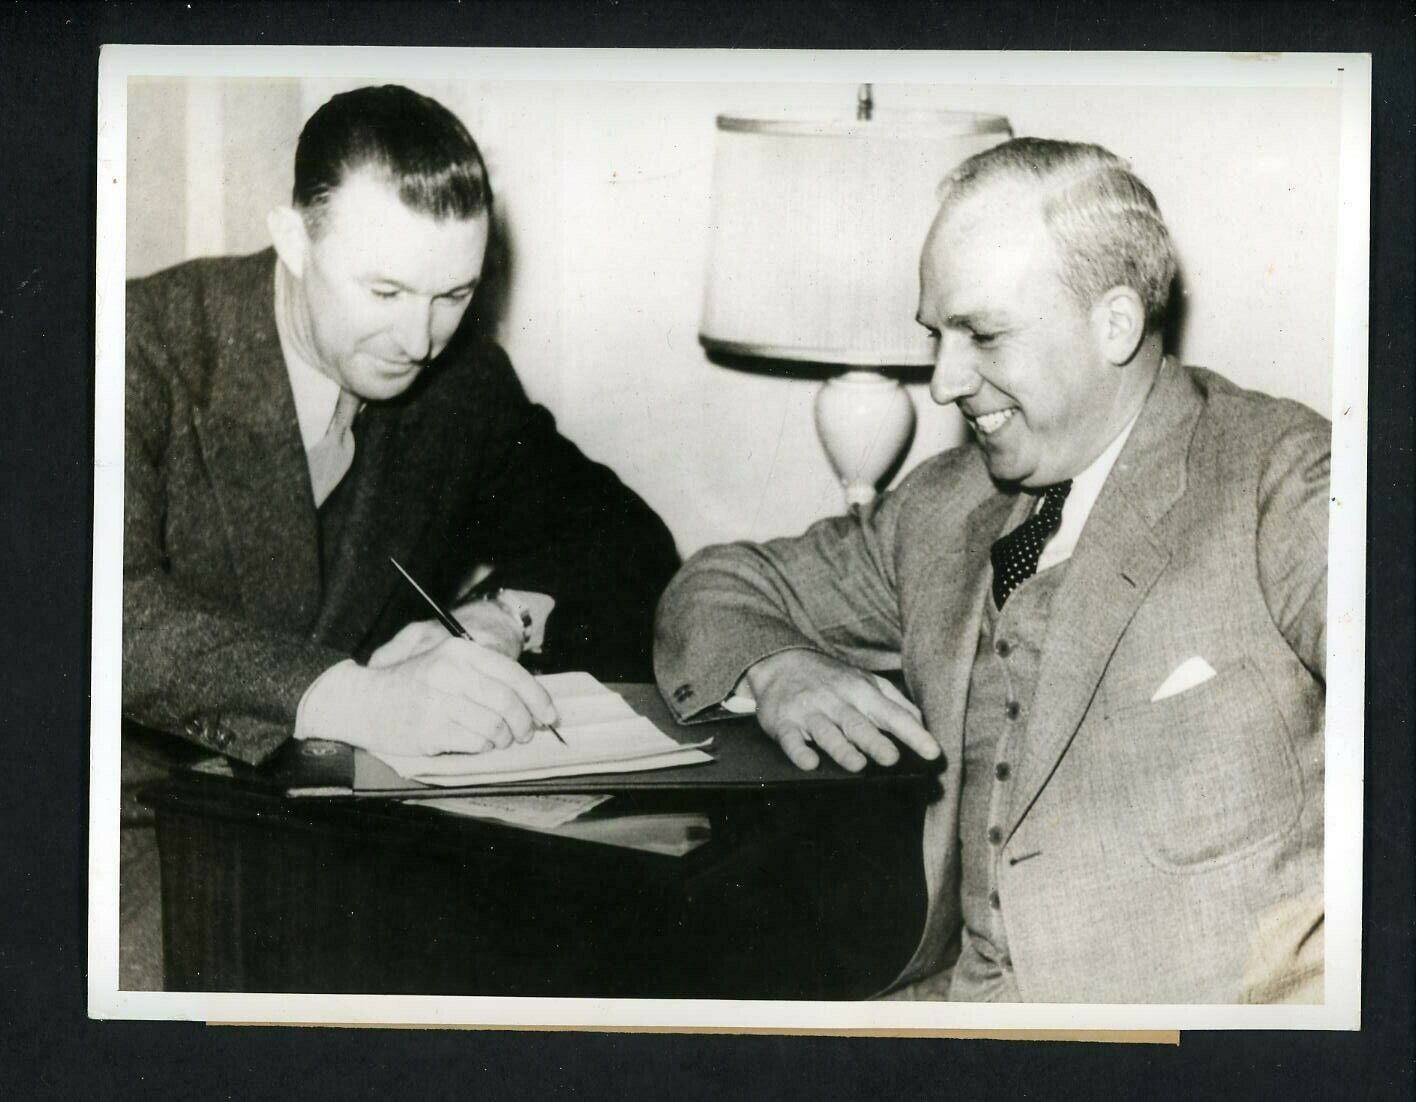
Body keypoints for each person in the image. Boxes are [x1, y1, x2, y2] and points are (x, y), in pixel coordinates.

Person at [654, 138, 1327, 1003]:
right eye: (937, 335)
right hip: (954, 1008)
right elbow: (717, 584)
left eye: (984, 335)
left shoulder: (1286, 479)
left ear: (1114, 324)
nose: (942, 381)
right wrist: (779, 668)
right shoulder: (943, 507)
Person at [124, 84, 679, 768]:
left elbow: (624, 537)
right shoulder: (134, 345)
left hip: (354, 818)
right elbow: (106, 610)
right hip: (135, 822)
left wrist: (497, 620)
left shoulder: (462, 384)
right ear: (294, 239)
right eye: (385, 292)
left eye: (454, 294)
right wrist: (366, 700)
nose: (419, 340)